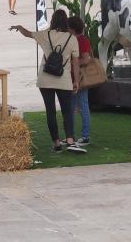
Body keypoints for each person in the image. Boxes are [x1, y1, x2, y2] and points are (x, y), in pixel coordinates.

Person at [9, 10, 85, 154]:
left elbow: (29, 33)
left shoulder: (45, 34)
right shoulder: (71, 39)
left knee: (50, 112)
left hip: (45, 79)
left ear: (52, 21)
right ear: (66, 22)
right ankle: (70, 140)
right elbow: (76, 62)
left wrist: (19, 27)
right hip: (64, 80)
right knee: (67, 111)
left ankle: (56, 143)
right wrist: (76, 81)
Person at [68, 15, 92, 146]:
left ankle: (85, 136)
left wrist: (72, 62)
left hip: (80, 79)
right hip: (71, 79)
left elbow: (86, 59)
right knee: (71, 107)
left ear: (72, 29)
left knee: (82, 106)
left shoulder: (81, 41)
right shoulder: (76, 40)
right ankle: (70, 135)